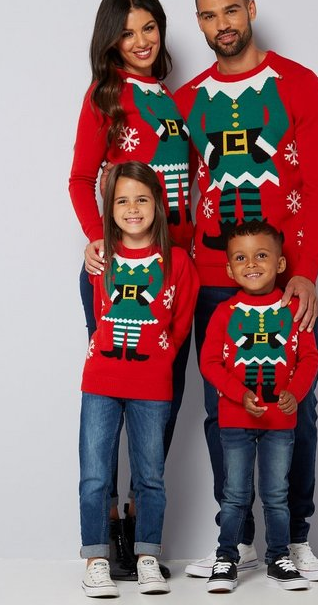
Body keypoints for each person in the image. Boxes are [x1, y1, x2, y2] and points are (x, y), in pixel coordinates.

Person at [174, 0, 318, 580]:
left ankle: (294, 538)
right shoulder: (189, 100)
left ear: (251, 10)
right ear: (200, 24)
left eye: (231, 10)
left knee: (300, 403)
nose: (222, 24)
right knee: (225, 410)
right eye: (208, 15)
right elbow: (176, 190)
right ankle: (236, 539)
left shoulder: (298, 84)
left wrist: (308, 271)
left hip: (286, 279)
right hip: (212, 277)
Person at [67, 0, 193, 580]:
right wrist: (97, 237)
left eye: (150, 28)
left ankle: (143, 527)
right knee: (116, 382)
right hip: (121, 271)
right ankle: (109, 526)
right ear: (110, 39)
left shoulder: (170, 100)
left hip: (176, 268)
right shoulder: (107, 96)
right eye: (128, 31)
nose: (141, 41)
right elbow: (79, 177)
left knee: (159, 401)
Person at [78, 161, 199, 597]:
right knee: (94, 474)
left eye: (142, 199)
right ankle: (96, 559)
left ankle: (148, 556)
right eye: (122, 200)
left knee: (150, 476)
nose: (132, 208)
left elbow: (181, 320)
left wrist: (163, 351)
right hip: (101, 381)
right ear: (109, 208)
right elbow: (96, 316)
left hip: (152, 385)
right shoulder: (100, 258)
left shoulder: (178, 262)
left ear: (158, 205)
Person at [200, 220, 318, 592]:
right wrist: (238, 394)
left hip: (280, 424)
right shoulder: (225, 312)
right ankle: (226, 557)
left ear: (281, 264)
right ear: (230, 269)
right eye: (241, 257)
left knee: (276, 494)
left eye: (262, 255)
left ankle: (279, 557)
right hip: (235, 420)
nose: (252, 264)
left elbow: (309, 359)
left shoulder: (293, 309)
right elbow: (210, 363)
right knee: (235, 494)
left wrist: (295, 394)